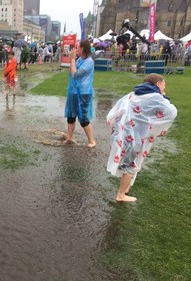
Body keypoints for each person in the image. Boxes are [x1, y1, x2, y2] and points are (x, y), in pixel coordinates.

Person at [106, 74, 177, 202]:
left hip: (124, 134)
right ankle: (121, 195)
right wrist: (160, 126)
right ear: (158, 84)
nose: (164, 87)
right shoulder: (155, 97)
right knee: (130, 164)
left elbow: (118, 110)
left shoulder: (134, 94)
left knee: (130, 162)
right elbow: (171, 112)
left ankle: (125, 189)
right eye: (163, 84)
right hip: (133, 137)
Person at [63, 40, 96, 148]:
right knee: (71, 116)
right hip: (73, 91)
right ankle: (69, 137)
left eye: (78, 48)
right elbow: (70, 70)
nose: (76, 50)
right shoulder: (80, 59)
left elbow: (75, 75)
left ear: (83, 49)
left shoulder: (89, 62)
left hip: (83, 93)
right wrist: (72, 60)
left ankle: (91, 141)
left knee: (83, 118)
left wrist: (72, 59)